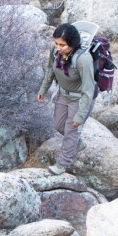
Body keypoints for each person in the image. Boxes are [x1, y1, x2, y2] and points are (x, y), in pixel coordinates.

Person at [36, 23, 95, 175]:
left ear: (73, 43)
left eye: (62, 44)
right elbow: (50, 70)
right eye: (56, 43)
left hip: (79, 99)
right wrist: (43, 89)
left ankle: (62, 164)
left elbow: (89, 89)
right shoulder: (55, 51)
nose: (58, 47)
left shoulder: (84, 60)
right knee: (58, 125)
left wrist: (80, 115)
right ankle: (76, 143)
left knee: (71, 130)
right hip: (63, 94)